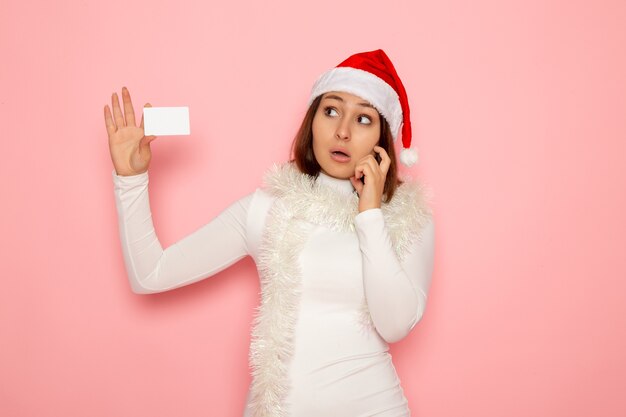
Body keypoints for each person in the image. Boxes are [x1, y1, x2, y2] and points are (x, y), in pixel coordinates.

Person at [105, 49, 435, 417]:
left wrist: (371, 214)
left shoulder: (406, 216)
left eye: (362, 118)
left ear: (382, 137)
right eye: (331, 110)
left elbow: (394, 324)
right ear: (312, 120)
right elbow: (150, 274)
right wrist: (130, 180)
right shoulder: (267, 207)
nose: (342, 130)